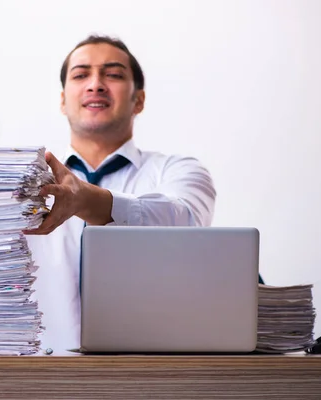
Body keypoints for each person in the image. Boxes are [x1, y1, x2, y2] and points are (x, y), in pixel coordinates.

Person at [23, 34, 217, 353]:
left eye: (113, 74)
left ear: (138, 100)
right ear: (62, 100)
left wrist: (87, 200)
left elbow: (184, 222)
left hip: (149, 371)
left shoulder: (180, 171)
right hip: (41, 370)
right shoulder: (23, 182)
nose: (96, 84)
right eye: (81, 74)